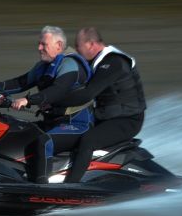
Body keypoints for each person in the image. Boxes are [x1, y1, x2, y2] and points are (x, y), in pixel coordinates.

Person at [0, 26, 93, 182]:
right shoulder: (43, 67)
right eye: (39, 44)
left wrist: (28, 100)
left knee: (44, 142)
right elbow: (20, 82)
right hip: (52, 122)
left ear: (58, 45)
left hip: (77, 124)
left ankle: (41, 186)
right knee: (19, 133)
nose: (39, 48)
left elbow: (58, 90)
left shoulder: (70, 64)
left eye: (43, 44)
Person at [52, 27, 146, 183]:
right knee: (66, 127)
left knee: (88, 140)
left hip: (128, 120)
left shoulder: (114, 62)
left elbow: (88, 93)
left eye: (78, 46)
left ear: (91, 44)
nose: (76, 50)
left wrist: (55, 102)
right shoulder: (96, 63)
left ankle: (72, 185)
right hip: (106, 116)